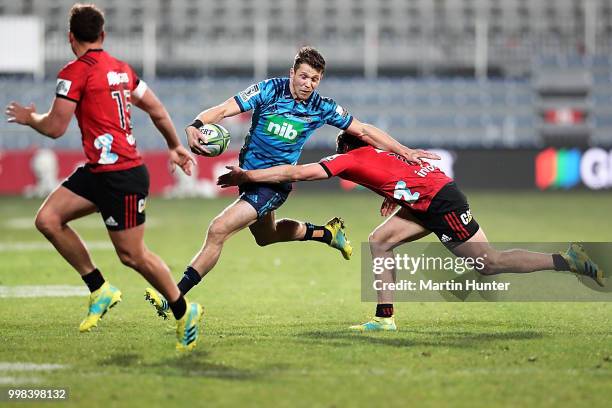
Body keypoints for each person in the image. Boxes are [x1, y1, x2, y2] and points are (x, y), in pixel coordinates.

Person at [144, 46, 439, 318]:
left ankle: (173, 297)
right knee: (266, 236)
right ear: (292, 74)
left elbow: (363, 130)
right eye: (303, 76)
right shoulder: (269, 90)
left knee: (219, 228)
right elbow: (223, 110)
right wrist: (196, 124)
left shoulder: (322, 107)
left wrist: (403, 150)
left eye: (314, 79)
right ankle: (326, 234)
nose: (308, 84)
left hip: (274, 183)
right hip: (250, 178)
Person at [217, 131, 605, 331]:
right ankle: (385, 317)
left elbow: (298, 172)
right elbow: (403, 178)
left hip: (440, 204)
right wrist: (399, 200)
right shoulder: (383, 151)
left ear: (345, 144)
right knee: (379, 240)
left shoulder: (349, 157)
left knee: (489, 263)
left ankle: (568, 259)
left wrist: (247, 174)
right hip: (431, 197)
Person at [5, 4, 202, 351]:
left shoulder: (74, 72)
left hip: (121, 176)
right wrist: (173, 144)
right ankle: (100, 288)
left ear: (70, 38)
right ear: (102, 36)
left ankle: (185, 310)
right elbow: (156, 108)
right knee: (49, 219)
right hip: (100, 171)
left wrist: (30, 119)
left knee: (133, 256)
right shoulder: (122, 71)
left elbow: (54, 127)